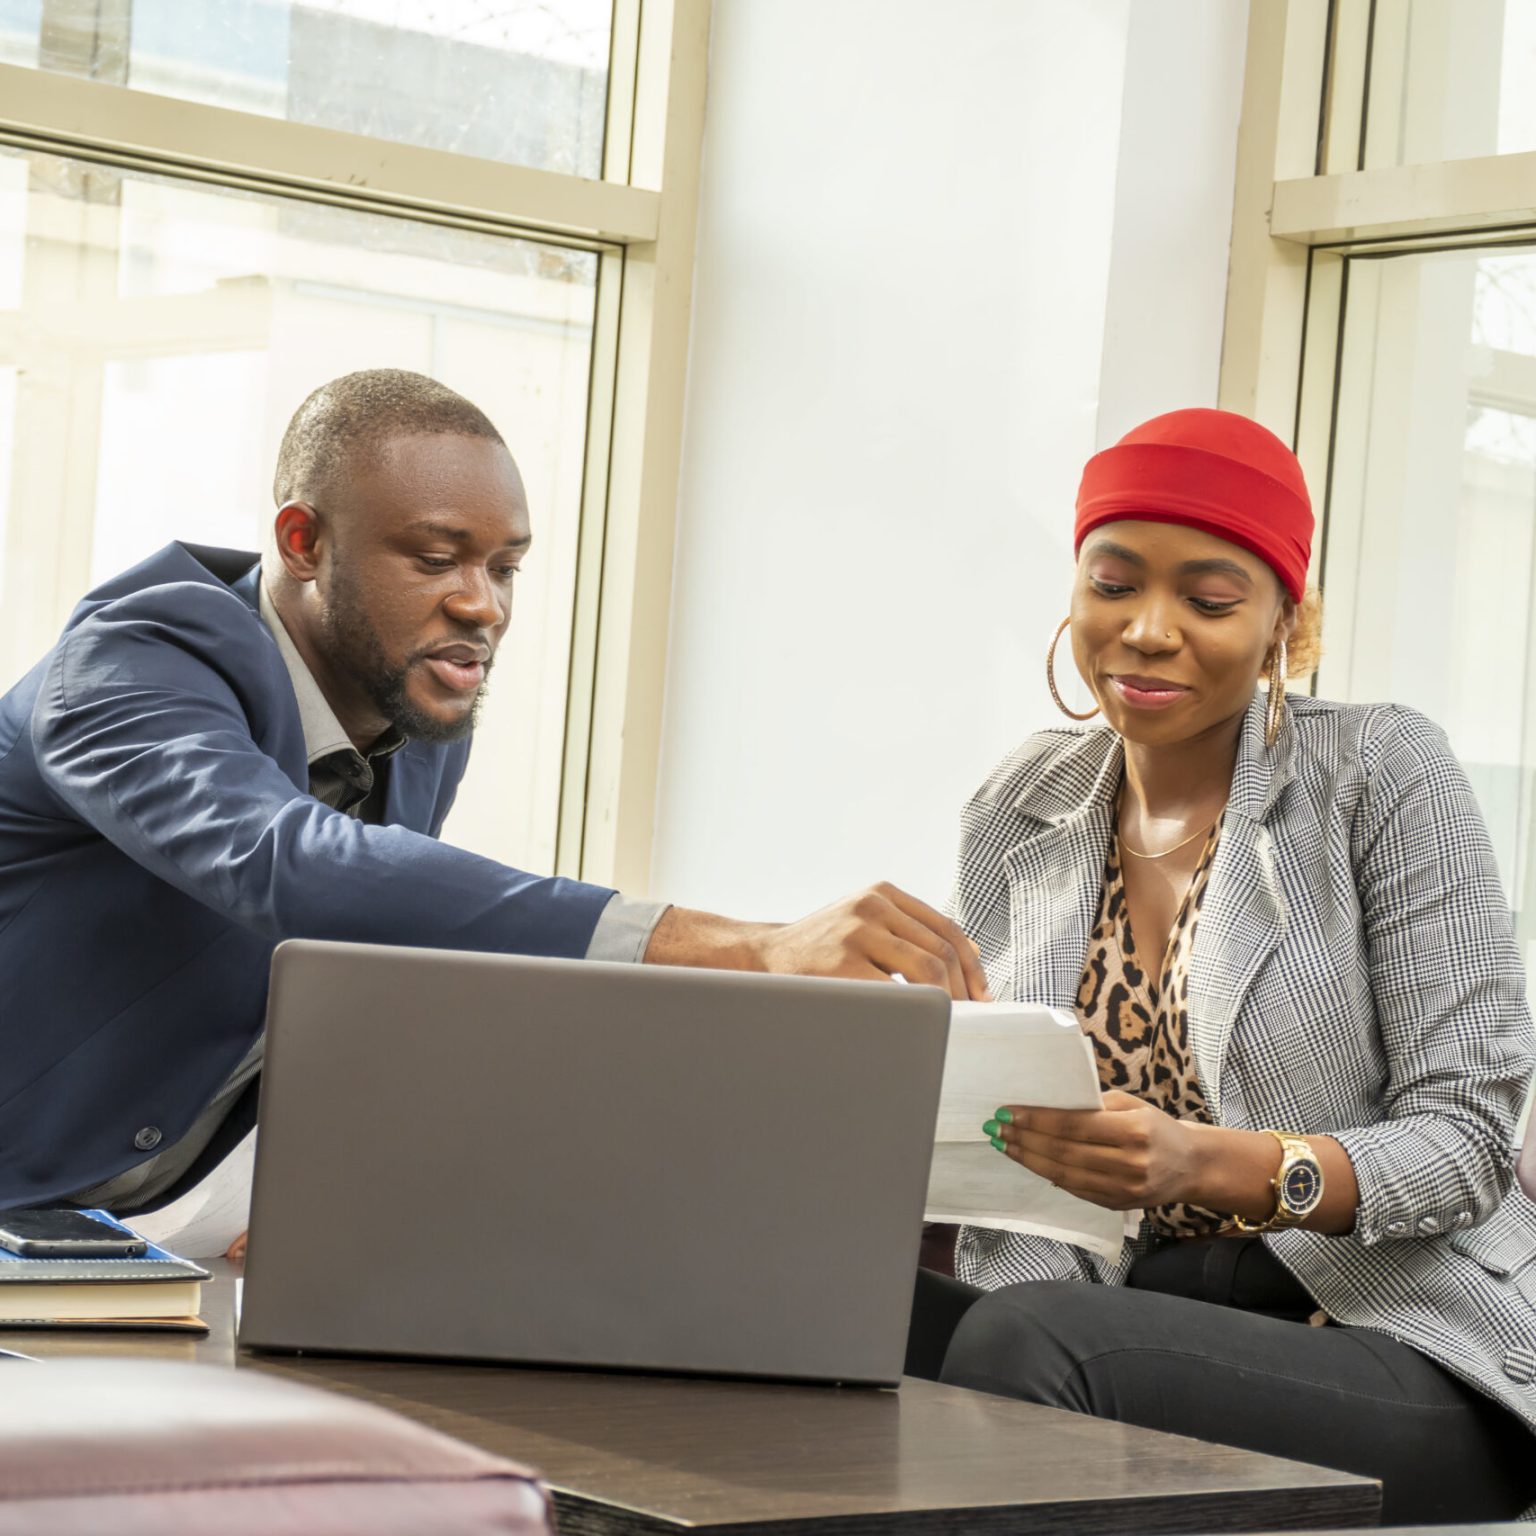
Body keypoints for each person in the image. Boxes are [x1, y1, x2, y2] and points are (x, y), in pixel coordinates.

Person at [0, 369, 986, 1217]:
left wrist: (311, 1182)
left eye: (505, 566)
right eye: (435, 560)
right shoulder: (132, 663)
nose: (484, 604)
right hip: (28, 1203)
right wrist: (745, 948)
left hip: (171, 1220)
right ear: (302, 542)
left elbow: (362, 969)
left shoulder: (418, 715)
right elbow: (289, 866)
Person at [915, 408, 1536, 1522]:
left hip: (1404, 1336)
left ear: (1284, 630)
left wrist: (1211, 1165)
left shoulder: (1382, 774)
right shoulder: (1022, 806)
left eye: (1208, 600)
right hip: (1125, 1300)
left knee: (1037, 1349)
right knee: (795, 1307)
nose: (1149, 631)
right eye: (1114, 584)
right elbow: (1013, 1128)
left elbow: (1470, 1141)